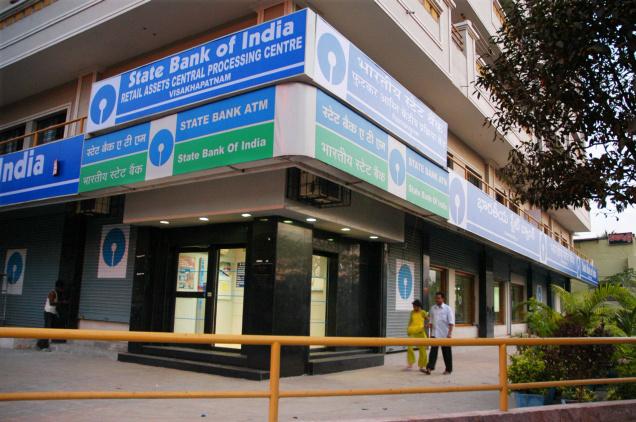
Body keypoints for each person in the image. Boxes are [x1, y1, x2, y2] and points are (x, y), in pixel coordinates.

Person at [424, 291, 455, 375]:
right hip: (434, 334)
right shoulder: (432, 308)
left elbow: (451, 322)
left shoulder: (448, 309)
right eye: (436, 298)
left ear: (443, 299)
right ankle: (429, 368)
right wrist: (430, 334)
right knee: (433, 352)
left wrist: (449, 333)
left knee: (447, 353)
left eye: (439, 298)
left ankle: (448, 369)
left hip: (445, 335)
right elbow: (431, 321)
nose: (437, 300)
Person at [36, 280, 64, 351]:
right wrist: (61, 302)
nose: (62, 290)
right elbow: (51, 303)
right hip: (48, 313)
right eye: (61, 288)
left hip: (51, 313)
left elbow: (55, 305)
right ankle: (43, 346)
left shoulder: (56, 293)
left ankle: (41, 343)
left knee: (50, 328)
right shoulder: (52, 293)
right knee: (47, 329)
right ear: (58, 287)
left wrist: (57, 313)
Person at [405, 299, 428, 371]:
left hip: (420, 332)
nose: (413, 307)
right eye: (413, 306)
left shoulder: (423, 312)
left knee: (422, 349)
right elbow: (410, 321)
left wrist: (426, 325)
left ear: (418, 306)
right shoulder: (412, 312)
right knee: (409, 347)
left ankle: (422, 365)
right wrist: (408, 329)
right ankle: (410, 364)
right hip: (412, 331)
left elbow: (428, 319)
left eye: (414, 306)